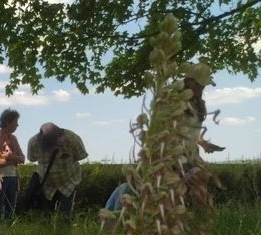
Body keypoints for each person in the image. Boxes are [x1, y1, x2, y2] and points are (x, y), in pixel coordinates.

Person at [105, 63, 223, 211]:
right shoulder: (172, 100)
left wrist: (204, 144)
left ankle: (201, 222)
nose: (201, 89)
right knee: (172, 191)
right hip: (169, 154)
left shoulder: (200, 105)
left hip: (191, 156)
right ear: (189, 81)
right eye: (199, 85)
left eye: (203, 86)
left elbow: (193, 134)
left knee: (201, 181)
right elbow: (163, 129)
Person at [27, 122, 88, 215]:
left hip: (68, 182)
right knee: (45, 216)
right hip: (46, 184)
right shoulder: (33, 143)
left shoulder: (72, 138)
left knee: (65, 215)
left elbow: (81, 156)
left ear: (60, 137)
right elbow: (31, 158)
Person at [0, 109, 25, 221]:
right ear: (8, 122)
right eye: (15, 122)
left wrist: (9, 157)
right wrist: (14, 160)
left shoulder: (13, 138)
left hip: (13, 177)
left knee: (11, 208)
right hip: (0, 178)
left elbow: (23, 158)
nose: (17, 125)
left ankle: (9, 233)